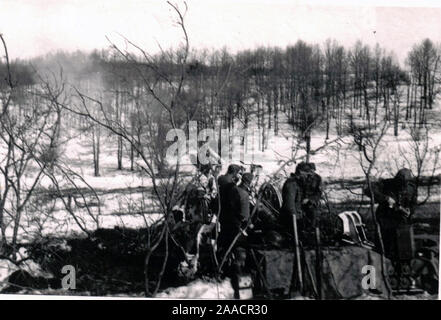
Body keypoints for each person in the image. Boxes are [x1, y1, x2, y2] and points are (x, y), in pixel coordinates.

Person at [363, 168, 417, 260]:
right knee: (384, 249)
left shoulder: (411, 188)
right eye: (400, 182)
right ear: (396, 179)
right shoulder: (386, 184)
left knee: (402, 250)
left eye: (405, 182)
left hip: (401, 222)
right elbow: (368, 190)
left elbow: (413, 204)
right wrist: (385, 199)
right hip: (385, 222)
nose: (402, 185)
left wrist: (410, 211)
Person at [218, 171, 252, 299]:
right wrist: (248, 224)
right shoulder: (243, 194)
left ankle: (228, 274)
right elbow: (245, 215)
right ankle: (241, 288)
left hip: (229, 225)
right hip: (239, 228)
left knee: (230, 251)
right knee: (241, 256)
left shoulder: (231, 190)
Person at [279, 162, 322, 242]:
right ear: (301, 172)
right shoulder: (291, 184)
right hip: (291, 220)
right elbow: (289, 206)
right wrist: (297, 220)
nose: (307, 176)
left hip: (297, 218)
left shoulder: (298, 183)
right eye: (306, 173)